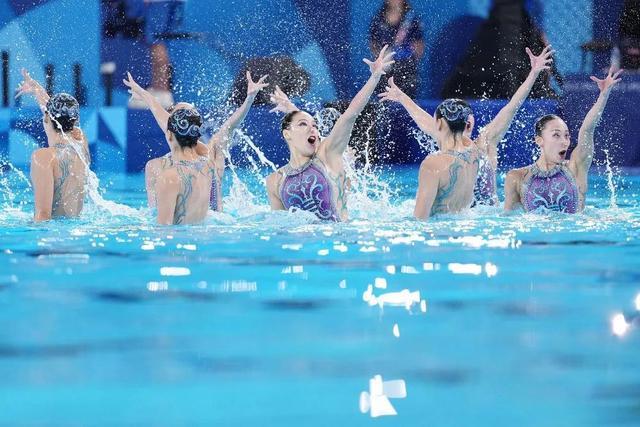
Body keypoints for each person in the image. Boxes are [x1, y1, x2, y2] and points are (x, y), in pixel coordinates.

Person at [380, 45, 554, 206]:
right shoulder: (483, 145)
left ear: (443, 124)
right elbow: (511, 108)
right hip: (485, 215)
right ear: (470, 123)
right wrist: (533, 73)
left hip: (469, 214)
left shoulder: (474, 142)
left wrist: (402, 98)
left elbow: (510, 108)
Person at [265, 46, 395, 221]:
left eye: (315, 125)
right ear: (287, 134)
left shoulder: (327, 155)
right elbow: (279, 225)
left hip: (341, 240)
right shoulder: (275, 181)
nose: (313, 129)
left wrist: (375, 77)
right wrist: (290, 108)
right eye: (304, 124)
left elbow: (350, 114)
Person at [123, 71, 268, 210]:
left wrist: (249, 100)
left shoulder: (210, 155)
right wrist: (146, 96)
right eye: (181, 117)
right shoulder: (156, 167)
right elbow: (154, 213)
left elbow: (229, 127)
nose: (184, 120)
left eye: (189, 116)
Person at [504, 68, 623, 213]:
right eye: (556, 135)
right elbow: (507, 217)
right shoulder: (516, 178)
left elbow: (587, 130)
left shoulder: (576, 167)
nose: (564, 142)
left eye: (567, 135)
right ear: (539, 140)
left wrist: (603, 96)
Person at [15, 69, 90, 222]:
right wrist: (37, 89)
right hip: (77, 232)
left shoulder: (44, 157)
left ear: (48, 117)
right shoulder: (81, 142)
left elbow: (43, 216)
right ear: (74, 120)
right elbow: (57, 116)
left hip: (55, 238)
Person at [369, 0, 424, 98]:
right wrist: (381, 57)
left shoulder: (411, 18)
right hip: (385, 67)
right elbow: (373, 44)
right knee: (383, 100)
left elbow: (419, 47)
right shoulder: (378, 18)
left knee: (407, 100)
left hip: (406, 68)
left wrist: (405, 58)